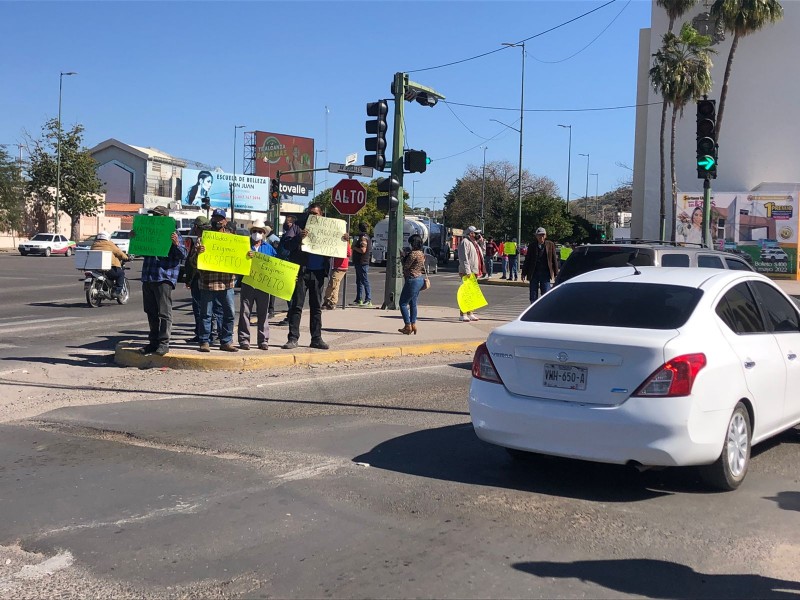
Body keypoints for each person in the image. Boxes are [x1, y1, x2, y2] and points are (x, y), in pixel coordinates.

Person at [280, 203, 346, 350]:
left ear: (321, 215)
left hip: (318, 272)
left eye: (315, 214)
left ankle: (316, 338)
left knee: (316, 307)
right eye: (310, 213)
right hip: (302, 272)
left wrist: (343, 239)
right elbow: (285, 244)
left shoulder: (329, 227)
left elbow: (337, 248)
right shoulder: (298, 226)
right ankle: (293, 338)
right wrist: (298, 237)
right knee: (296, 306)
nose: (313, 216)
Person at [138, 205, 187, 356]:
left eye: (158, 216)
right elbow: (139, 250)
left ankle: (164, 342)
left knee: (164, 312)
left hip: (163, 277)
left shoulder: (174, 234)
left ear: (165, 218)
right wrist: (135, 238)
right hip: (149, 276)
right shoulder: (149, 232)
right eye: (153, 215)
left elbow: (183, 254)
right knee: (150, 311)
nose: (155, 218)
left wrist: (176, 244)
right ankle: (153, 342)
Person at [192, 208, 239, 353]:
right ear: (211, 219)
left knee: (229, 313)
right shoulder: (204, 239)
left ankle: (226, 341)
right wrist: (198, 254)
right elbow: (193, 263)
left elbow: (239, 259)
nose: (218, 221)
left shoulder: (233, 239)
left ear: (225, 221)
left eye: (220, 218)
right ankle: (204, 341)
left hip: (227, 283)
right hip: (208, 282)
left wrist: (248, 255)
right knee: (206, 314)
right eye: (215, 218)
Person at [238, 219, 277, 350]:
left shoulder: (269, 248)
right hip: (247, 283)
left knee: (263, 313)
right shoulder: (244, 246)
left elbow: (276, 266)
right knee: (245, 312)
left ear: (264, 233)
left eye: (260, 231)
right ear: (251, 232)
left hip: (263, 285)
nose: (257, 233)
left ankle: (263, 340)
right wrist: (245, 256)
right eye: (254, 231)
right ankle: (244, 340)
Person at [398, 233, 426, 335]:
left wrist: (403, 257)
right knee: (413, 303)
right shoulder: (421, 253)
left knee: (403, 303)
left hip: (412, 279)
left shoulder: (413, 254)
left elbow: (406, 266)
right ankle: (413, 324)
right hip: (419, 279)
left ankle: (407, 325)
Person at [522, 227, 559, 303]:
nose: (541, 237)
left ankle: (544, 308)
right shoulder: (532, 246)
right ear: (536, 236)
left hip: (545, 273)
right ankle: (533, 308)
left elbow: (554, 259)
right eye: (539, 235)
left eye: (543, 235)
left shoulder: (550, 245)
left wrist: (556, 274)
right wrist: (523, 273)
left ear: (545, 236)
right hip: (534, 273)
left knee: (546, 293)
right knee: (533, 293)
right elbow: (527, 260)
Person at [457, 225, 485, 322]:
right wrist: (467, 271)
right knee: (466, 293)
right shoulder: (465, 242)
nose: (479, 235)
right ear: (471, 234)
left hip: (475, 271)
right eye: (476, 233)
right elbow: (463, 258)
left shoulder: (475, 243)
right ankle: (463, 314)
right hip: (468, 272)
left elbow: (483, 252)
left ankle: (470, 313)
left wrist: (482, 242)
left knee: (472, 293)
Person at [90, 231, 129, 298]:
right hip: (109, 267)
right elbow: (119, 252)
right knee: (120, 274)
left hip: (96, 268)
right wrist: (126, 257)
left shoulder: (94, 244)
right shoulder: (109, 244)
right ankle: (116, 292)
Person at [323, 235, 350, 309]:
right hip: (334, 265)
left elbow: (349, 253)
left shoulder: (345, 242)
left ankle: (328, 300)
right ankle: (332, 302)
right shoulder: (334, 241)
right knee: (335, 284)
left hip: (341, 266)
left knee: (333, 283)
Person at [351, 222, 373, 306]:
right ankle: (358, 299)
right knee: (359, 281)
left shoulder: (363, 238)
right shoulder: (366, 237)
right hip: (360, 262)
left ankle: (368, 299)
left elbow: (363, 250)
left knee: (364, 281)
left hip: (362, 262)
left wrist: (354, 247)